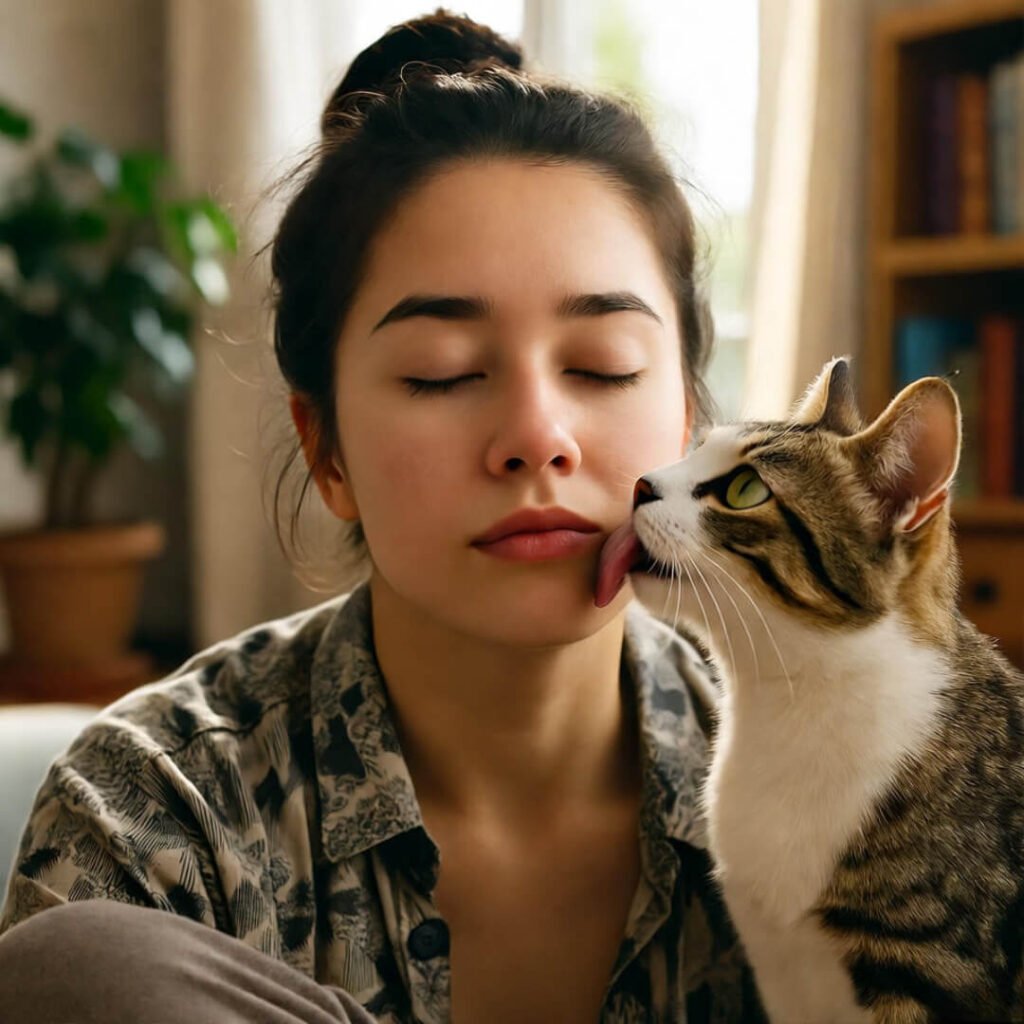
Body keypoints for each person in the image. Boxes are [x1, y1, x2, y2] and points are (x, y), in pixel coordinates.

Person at [0, 10, 765, 1023]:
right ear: (326, 452)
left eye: (601, 366)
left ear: (688, 419)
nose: (537, 437)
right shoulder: (161, 812)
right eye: (442, 375)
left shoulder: (835, 780)